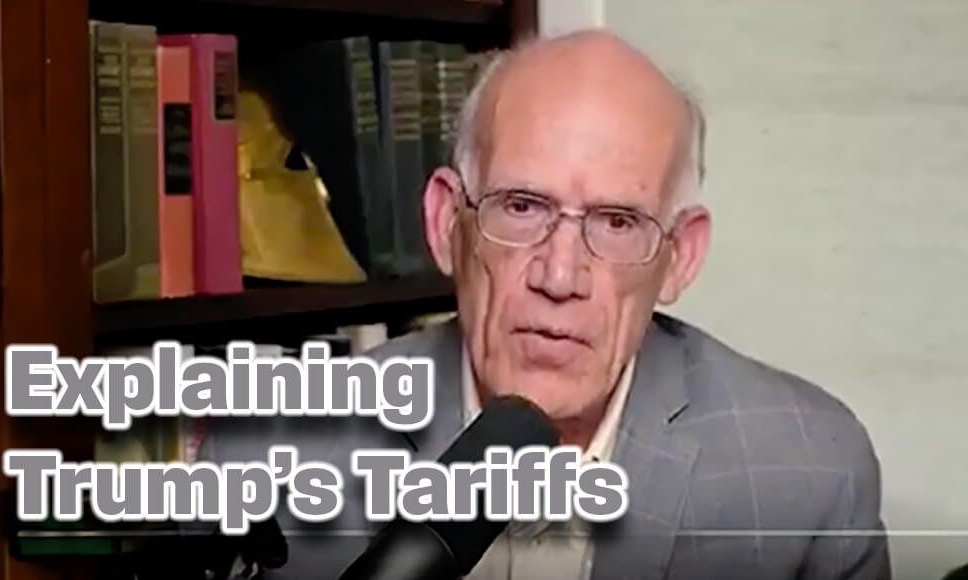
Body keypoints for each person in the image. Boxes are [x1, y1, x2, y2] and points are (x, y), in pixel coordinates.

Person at [203, 29, 890, 580]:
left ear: (680, 256)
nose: (560, 277)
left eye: (617, 222)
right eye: (522, 206)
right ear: (445, 223)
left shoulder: (809, 473)